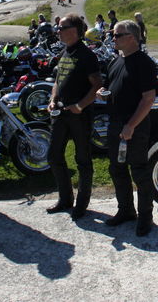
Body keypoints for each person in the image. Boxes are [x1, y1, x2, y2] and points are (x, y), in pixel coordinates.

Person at [46, 14, 103, 219]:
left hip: (80, 115)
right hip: (60, 113)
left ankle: (82, 204)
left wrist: (80, 105)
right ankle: (65, 198)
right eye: (58, 28)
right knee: (53, 155)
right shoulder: (65, 52)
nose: (58, 31)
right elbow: (57, 81)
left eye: (62, 28)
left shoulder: (86, 55)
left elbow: (97, 84)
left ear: (75, 30)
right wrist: (53, 99)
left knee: (83, 160)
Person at [103, 20, 158, 236]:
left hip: (134, 126)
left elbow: (148, 99)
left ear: (132, 38)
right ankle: (125, 210)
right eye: (112, 35)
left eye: (117, 35)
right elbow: (109, 86)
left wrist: (131, 126)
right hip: (115, 124)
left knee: (139, 172)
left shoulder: (144, 63)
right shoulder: (116, 61)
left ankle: (146, 217)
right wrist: (102, 92)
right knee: (117, 169)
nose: (112, 38)